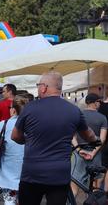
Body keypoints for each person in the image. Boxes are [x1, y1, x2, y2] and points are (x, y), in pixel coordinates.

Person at [11, 71, 98, 205]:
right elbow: (89, 135)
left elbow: (15, 136)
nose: (38, 88)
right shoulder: (74, 110)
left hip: (32, 173)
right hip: (59, 175)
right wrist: (95, 141)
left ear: (44, 87)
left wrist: (26, 140)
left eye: (38, 85)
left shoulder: (29, 108)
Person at [0, 95, 29, 205]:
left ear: (13, 109)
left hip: (8, 171)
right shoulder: (32, 124)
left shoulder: (4, 124)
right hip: (28, 170)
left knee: (10, 200)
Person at [71, 93, 107, 196]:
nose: (99, 104)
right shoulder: (102, 118)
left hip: (79, 155)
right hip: (95, 155)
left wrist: (78, 150)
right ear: (95, 103)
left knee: (74, 187)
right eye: (98, 102)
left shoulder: (77, 116)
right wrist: (93, 153)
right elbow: (102, 138)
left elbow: (72, 136)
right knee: (94, 188)